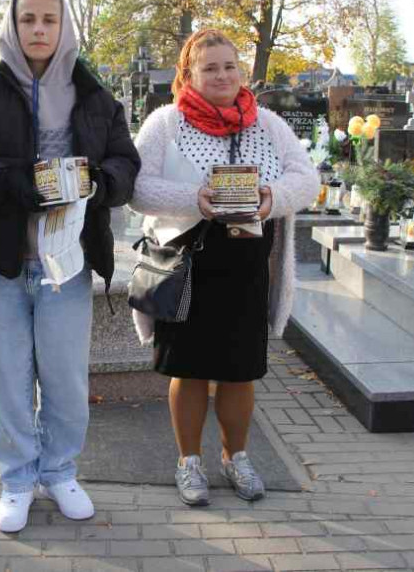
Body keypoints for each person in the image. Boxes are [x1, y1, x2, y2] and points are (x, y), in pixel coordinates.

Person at [0, 0, 140, 532]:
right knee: (5, 375)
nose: (38, 29)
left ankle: (58, 471)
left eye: (48, 20)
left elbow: (126, 163)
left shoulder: (95, 96)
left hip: (67, 263)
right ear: (13, 23)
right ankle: (16, 479)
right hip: (5, 261)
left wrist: (101, 183)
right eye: (28, 19)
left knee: (65, 377)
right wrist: (9, 184)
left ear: (63, 26)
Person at [128, 29, 317, 507]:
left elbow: (306, 179)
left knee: (239, 371)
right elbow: (138, 188)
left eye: (229, 66)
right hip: (187, 265)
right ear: (189, 73)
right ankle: (189, 462)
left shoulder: (268, 124)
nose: (221, 75)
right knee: (189, 371)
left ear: (241, 71)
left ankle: (237, 457)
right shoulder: (165, 123)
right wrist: (195, 199)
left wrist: (272, 198)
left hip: (247, 265)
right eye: (209, 67)